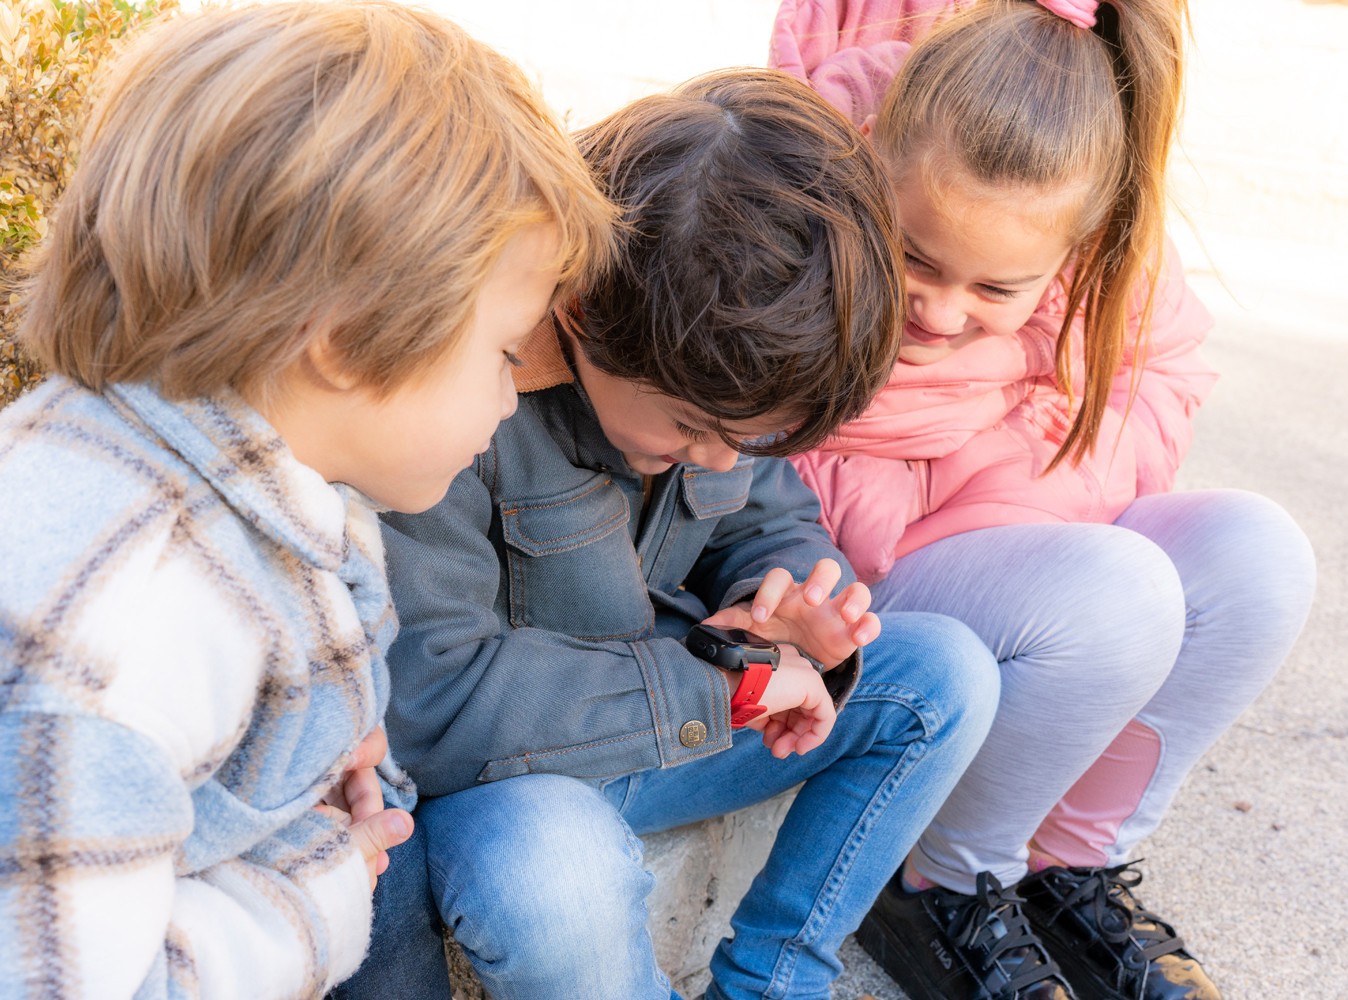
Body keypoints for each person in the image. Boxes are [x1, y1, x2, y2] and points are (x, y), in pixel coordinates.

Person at [0, 2, 617, 996]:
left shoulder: (209, 492)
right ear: (343, 339)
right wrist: (315, 892)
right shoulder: (102, 648)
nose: (513, 395)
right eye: (505, 351)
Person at [350, 68, 1003, 1000]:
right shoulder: (464, 410)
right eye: (691, 428)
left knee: (946, 674)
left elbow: (772, 513)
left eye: (749, 436)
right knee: (552, 878)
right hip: (516, 780)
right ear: (580, 314)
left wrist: (797, 605)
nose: (715, 457)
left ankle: (776, 979)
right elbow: (429, 698)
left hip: (683, 717)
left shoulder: (719, 391)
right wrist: (725, 683)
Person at [770, 2, 1317, 999]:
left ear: (1075, 244)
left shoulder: (1103, 239)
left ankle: (1068, 859)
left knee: (1258, 554)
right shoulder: (813, 200)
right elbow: (773, 442)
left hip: (1038, 546)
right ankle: (945, 873)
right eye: (918, 260)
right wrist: (992, 460)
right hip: (882, 583)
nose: (940, 311)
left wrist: (1027, 470)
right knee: (1114, 593)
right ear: (876, 170)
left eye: (995, 288)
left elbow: (1164, 378)